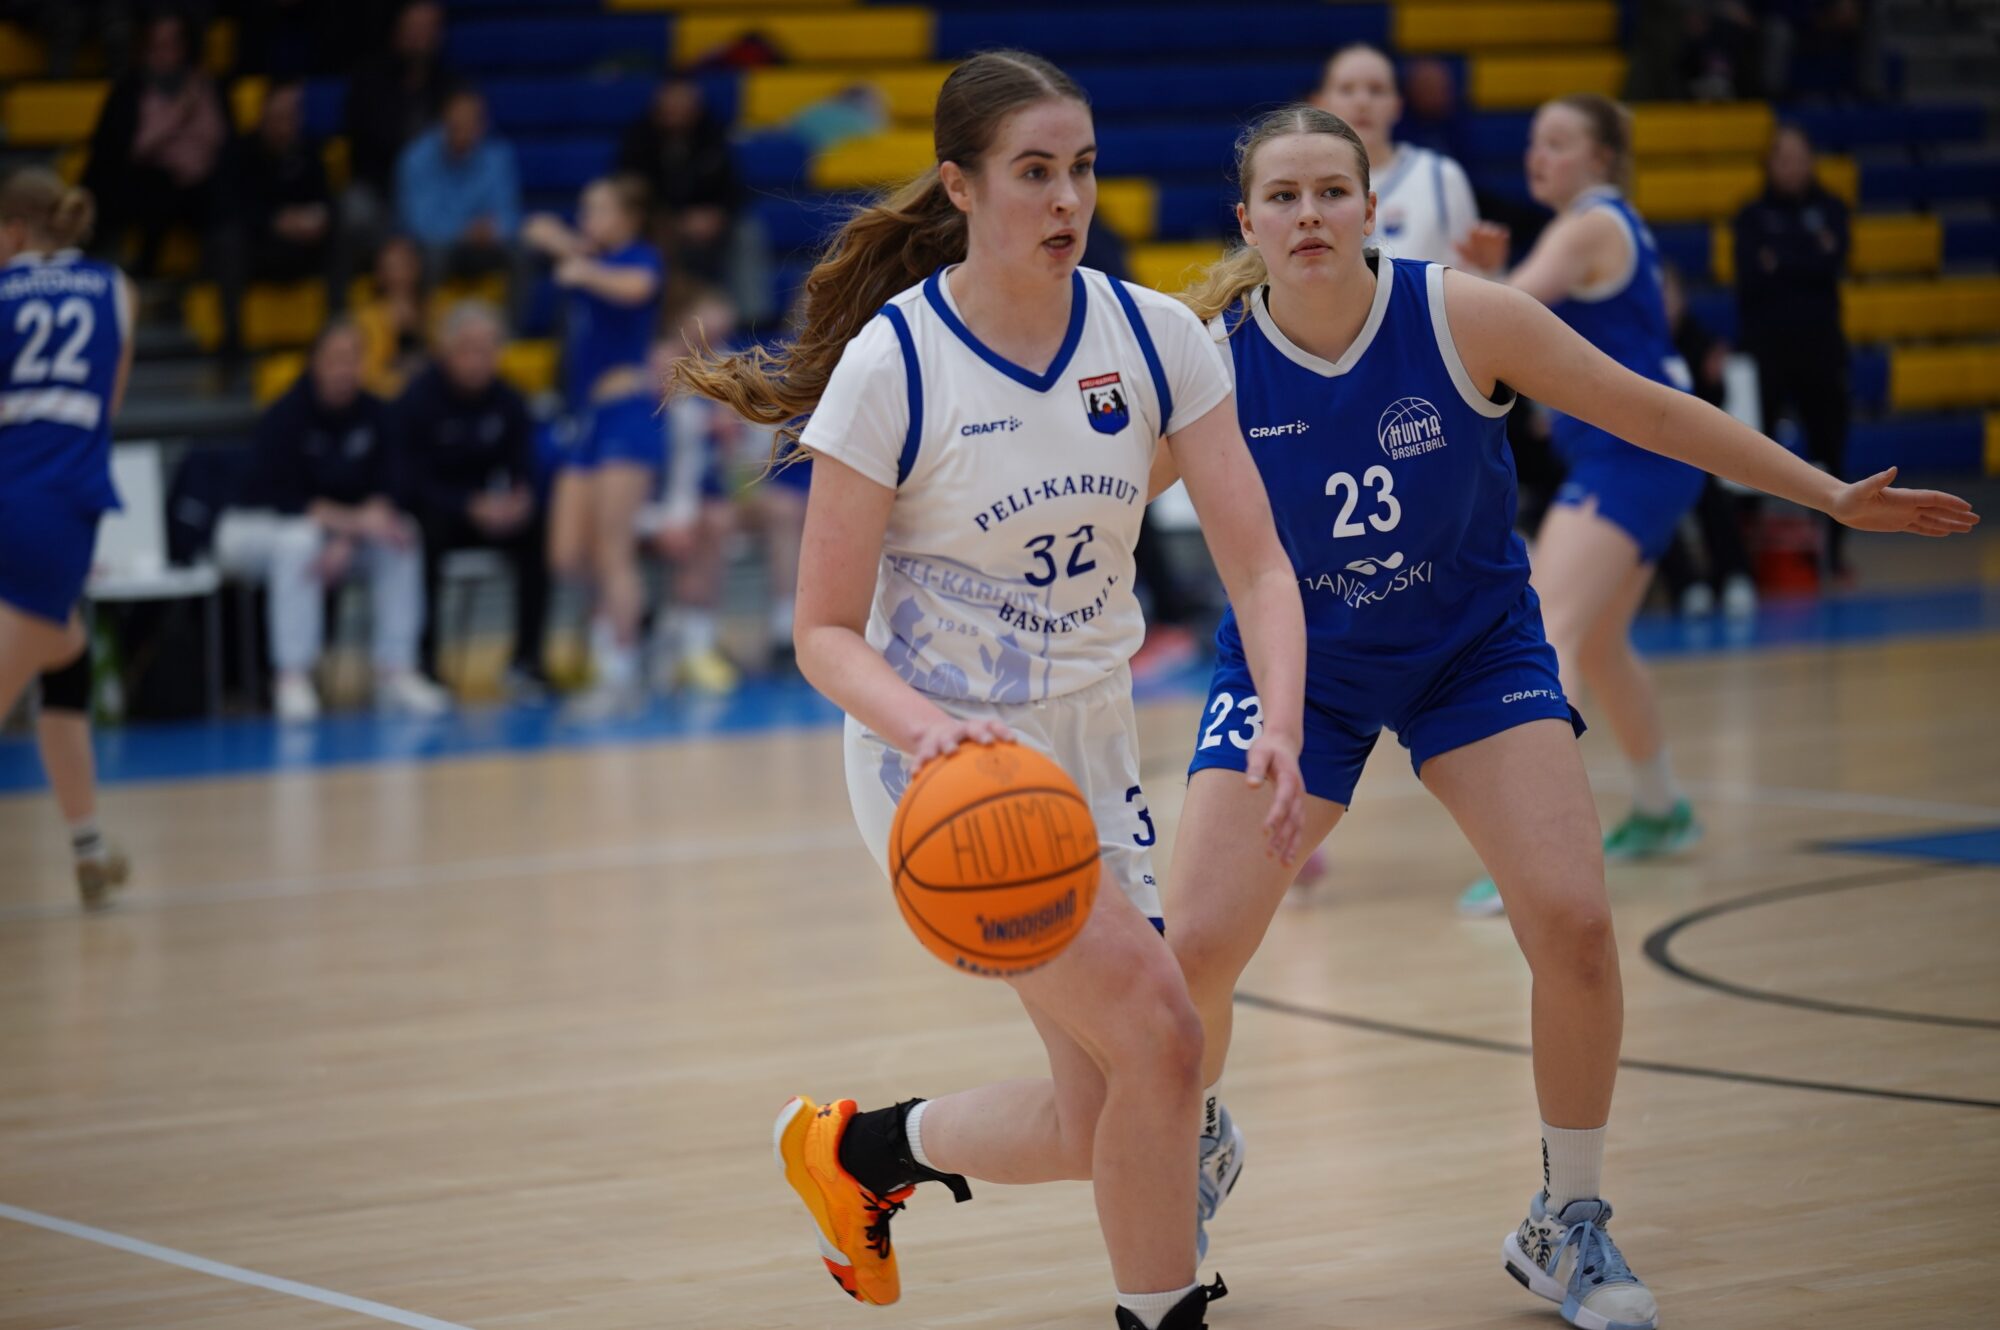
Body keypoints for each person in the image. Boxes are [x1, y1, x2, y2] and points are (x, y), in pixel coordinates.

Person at [1161, 105, 1974, 1330]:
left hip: (1468, 653)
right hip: (1297, 671)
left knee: (1576, 925)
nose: (1309, 215)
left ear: (1372, 208)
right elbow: (1098, 491)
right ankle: (1196, 1135)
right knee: (1192, 953)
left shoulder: (1459, 316)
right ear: (1247, 221)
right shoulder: (1209, 358)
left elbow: (1647, 409)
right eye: (1282, 197)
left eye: (1331, 191)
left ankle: (1564, 1218)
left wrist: (1820, 493)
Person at [671, 51, 1308, 1330]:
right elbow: (821, 633)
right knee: (1164, 1038)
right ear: (960, 186)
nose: (1065, 199)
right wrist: (931, 732)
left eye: (1081, 169)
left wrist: (1282, 720)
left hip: (1090, 738)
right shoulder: (895, 366)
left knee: (1099, 1115)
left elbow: (1256, 563)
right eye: (1032, 173)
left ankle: (855, 1153)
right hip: (937, 757)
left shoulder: (1154, 338)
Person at [1454, 95, 1709, 909]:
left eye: (1559, 143)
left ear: (1601, 158)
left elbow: (1506, 318)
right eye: (1535, 141)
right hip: (1645, 457)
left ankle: (1539, 859)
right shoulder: (1607, 225)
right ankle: (1662, 809)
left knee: (1547, 633)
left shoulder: (1586, 227)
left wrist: (1478, 282)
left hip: (1631, 457)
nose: (1540, 156)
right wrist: (1490, 281)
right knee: (1597, 642)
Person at [0, 170, 136, 908]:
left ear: (15, 231)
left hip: (15, 492)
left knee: (67, 660)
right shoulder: (115, 289)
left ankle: (88, 851)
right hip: (55, 505)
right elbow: (105, 408)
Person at [213, 320, 451, 722]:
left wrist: (349, 535)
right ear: (315, 362)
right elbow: (285, 497)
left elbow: (394, 486)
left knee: (400, 534)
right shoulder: (285, 414)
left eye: (352, 359)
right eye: (335, 359)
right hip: (255, 530)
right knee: (300, 540)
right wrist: (351, 526)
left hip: (338, 535)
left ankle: (396, 670)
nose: (344, 369)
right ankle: (292, 676)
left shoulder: (379, 414)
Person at [522, 176, 665, 718]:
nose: (587, 217)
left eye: (599, 209)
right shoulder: (589, 255)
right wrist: (574, 250)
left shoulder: (639, 257)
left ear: (628, 217)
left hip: (626, 414)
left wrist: (584, 269)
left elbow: (637, 290)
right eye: (584, 208)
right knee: (566, 554)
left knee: (612, 549)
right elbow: (535, 228)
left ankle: (618, 671)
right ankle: (625, 625)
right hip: (586, 419)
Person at [391, 301, 549, 694]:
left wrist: (520, 499)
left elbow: (525, 465)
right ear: (446, 351)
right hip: (440, 512)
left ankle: (527, 661)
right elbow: (409, 481)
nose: (478, 360)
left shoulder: (509, 400)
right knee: (420, 535)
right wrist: (466, 504)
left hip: (492, 514)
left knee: (539, 531)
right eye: (469, 349)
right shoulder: (418, 400)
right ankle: (424, 664)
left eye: (488, 349)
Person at [81, 10, 239, 359]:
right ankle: (142, 279)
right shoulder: (130, 90)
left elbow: (222, 143)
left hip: (201, 189)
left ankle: (226, 332)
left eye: (173, 44)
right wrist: (179, 113)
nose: (165, 53)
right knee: (158, 184)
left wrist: (189, 160)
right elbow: (127, 149)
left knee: (228, 211)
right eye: (156, 45)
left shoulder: (209, 87)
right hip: (145, 190)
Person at [1734, 123, 1853, 581]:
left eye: (1800, 158)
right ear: (1770, 163)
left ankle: (1833, 555)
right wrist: (1808, 258)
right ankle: (1743, 560)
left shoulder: (1832, 208)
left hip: (1822, 353)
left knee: (1830, 452)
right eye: (1784, 159)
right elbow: (1752, 275)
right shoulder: (1750, 216)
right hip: (1767, 355)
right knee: (1749, 453)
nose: (1792, 167)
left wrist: (1781, 260)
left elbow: (1833, 261)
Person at [648, 291, 744, 694]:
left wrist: (730, 430)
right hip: (645, 498)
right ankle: (670, 643)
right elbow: (668, 460)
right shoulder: (660, 366)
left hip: (686, 495)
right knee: (702, 524)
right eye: (705, 332)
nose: (713, 343)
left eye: (720, 334)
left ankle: (694, 642)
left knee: (715, 521)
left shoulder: (723, 369)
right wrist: (674, 516)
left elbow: (713, 462)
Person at [1313, 44, 1485, 268]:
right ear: (1321, 104)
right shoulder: (1302, 183)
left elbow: (1474, 275)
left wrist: (1489, 269)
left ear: (1397, 105)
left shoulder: (1441, 175)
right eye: (1347, 89)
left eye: (1376, 90)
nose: (1362, 102)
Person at [1658, 263, 1757, 618]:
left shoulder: (1698, 339)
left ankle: (1734, 577)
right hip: (1649, 454)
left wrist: (1715, 381)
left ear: (1681, 297)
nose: (1662, 301)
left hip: (1695, 452)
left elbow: (1716, 405)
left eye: (1667, 292)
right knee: (1653, 502)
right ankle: (1686, 586)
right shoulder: (1639, 341)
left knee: (1711, 496)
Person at [616, 76, 739, 289]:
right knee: (655, 234)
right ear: (659, 105)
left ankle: (752, 310)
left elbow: (733, 188)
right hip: (656, 218)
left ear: (696, 106)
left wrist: (717, 214)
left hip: (708, 220)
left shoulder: (713, 135)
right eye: (672, 105)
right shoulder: (639, 139)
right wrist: (674, 220)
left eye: (684, 105)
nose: (678, 112)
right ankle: (662, 301)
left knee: (746, 232)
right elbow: (629, 189)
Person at [396, 86, 522, 287]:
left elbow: (510, 215)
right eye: (456, 123)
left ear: (481, 125)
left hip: (484, 246)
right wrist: (464, 232)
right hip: (438, 247)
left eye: (470, 122)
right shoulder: (417, 158)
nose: (462, 129)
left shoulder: (498, 158)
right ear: (443, 122)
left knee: (520, 252)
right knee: (431, 254)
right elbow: (419, 224)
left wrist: (492, 229)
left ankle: (516, 310)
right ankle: (428, 308)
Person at [345, 0, 447, 246]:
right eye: (413, 28)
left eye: (426, 29)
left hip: (432, 192)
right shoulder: (369, 81)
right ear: (397, 30)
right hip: (379, 188)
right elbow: (360, 144)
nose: (418, 38)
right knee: (354, 209)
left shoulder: (448, 87)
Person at [236, 79, 334, 289]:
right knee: (230, 241)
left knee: (339, 231)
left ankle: (337, 307)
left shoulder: (308, 150)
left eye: (291, 116)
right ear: (264, 116)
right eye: (278, 117)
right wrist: (276, 220)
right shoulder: (242, 152)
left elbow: (325, 200)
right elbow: (233, 208)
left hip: (304, 242)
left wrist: (314, 219)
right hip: (259, 242)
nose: (284, 126)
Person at [353, 234, 432, 399]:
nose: (399, 273)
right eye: (391, 267)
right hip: (388, 399)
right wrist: (408, 387)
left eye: (405, 264)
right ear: (379, 273)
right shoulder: (367, 318)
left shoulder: (434, 309)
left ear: (417, 267)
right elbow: (368, 374)